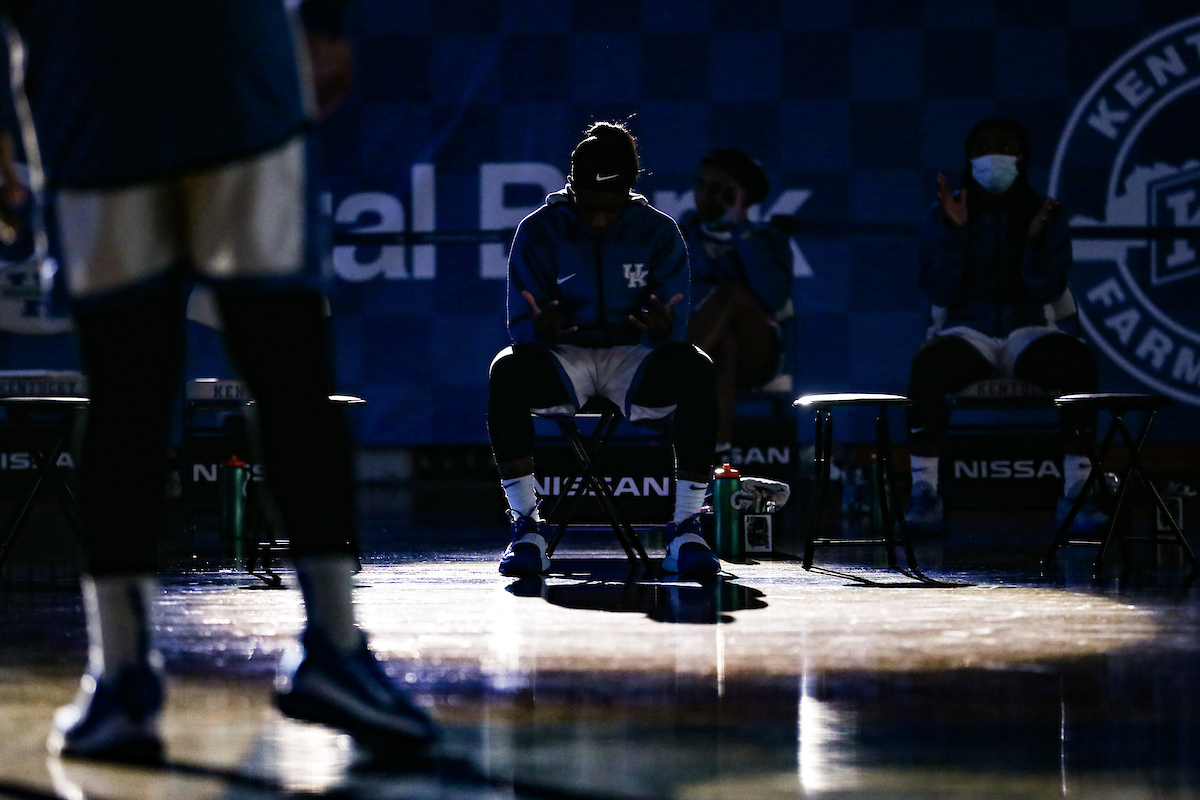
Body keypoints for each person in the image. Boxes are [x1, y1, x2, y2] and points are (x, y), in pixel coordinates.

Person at [3, 0, 436, 763]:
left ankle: (128, 678)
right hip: (184, 82)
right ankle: (316, 648)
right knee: (273, 373)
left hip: (118, 88)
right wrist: (326, 24)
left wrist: (325, 23)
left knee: (154, 386)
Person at [488, 121, 720, 579]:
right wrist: (541, 330)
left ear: (631, 189)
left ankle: (686, 528)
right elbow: (521, 326)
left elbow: (673, 325)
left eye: (610, 209)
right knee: (506, 370)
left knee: (696, 368)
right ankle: (527, 528)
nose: (598, 219)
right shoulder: (538, 230)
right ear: (571, 186)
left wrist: (661, 330)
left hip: (633, 356)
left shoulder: (659, 232)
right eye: (588, 206)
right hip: (562, 355)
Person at [904, 117, 1102, 533]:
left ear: (1022, 157)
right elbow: (940, 291)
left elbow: (1046, 289)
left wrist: (1033, 242)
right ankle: (924, 493)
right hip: (966, 331)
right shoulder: (941, 214)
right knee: (928, 368)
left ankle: (1079, 493)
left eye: (1006, 147)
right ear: (970, 158)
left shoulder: (1045, 214)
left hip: (1028, 329)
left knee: (1077, 364)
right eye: (985, 147)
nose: (996, 155)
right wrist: (958, 233)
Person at [680, 148, 793, 454]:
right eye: (701, 185)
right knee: (722, 346)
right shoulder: (679, 237)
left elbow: (772, 297)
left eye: (719, 190)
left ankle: (675, 370)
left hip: (757, 354)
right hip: (710, 348)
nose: (705, 195)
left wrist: (740, 225)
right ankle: (719, 455)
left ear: (741, 195)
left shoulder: (767, 239)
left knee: (729, 291)